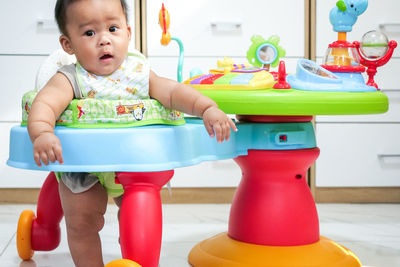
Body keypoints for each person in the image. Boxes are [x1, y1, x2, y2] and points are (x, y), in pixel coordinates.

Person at [27, 0, 237, 266]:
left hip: (132, 165)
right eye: (90, 33)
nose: (104, 40)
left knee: (137, 218)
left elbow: (172, 92)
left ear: (127, 32)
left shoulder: (137, 73)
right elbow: (44, 104)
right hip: (82, 168)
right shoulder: (71, 78)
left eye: (112, 29)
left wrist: (207, 108)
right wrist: (43, 132)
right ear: (68, 45)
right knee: (81, 222)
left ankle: (138, 259)